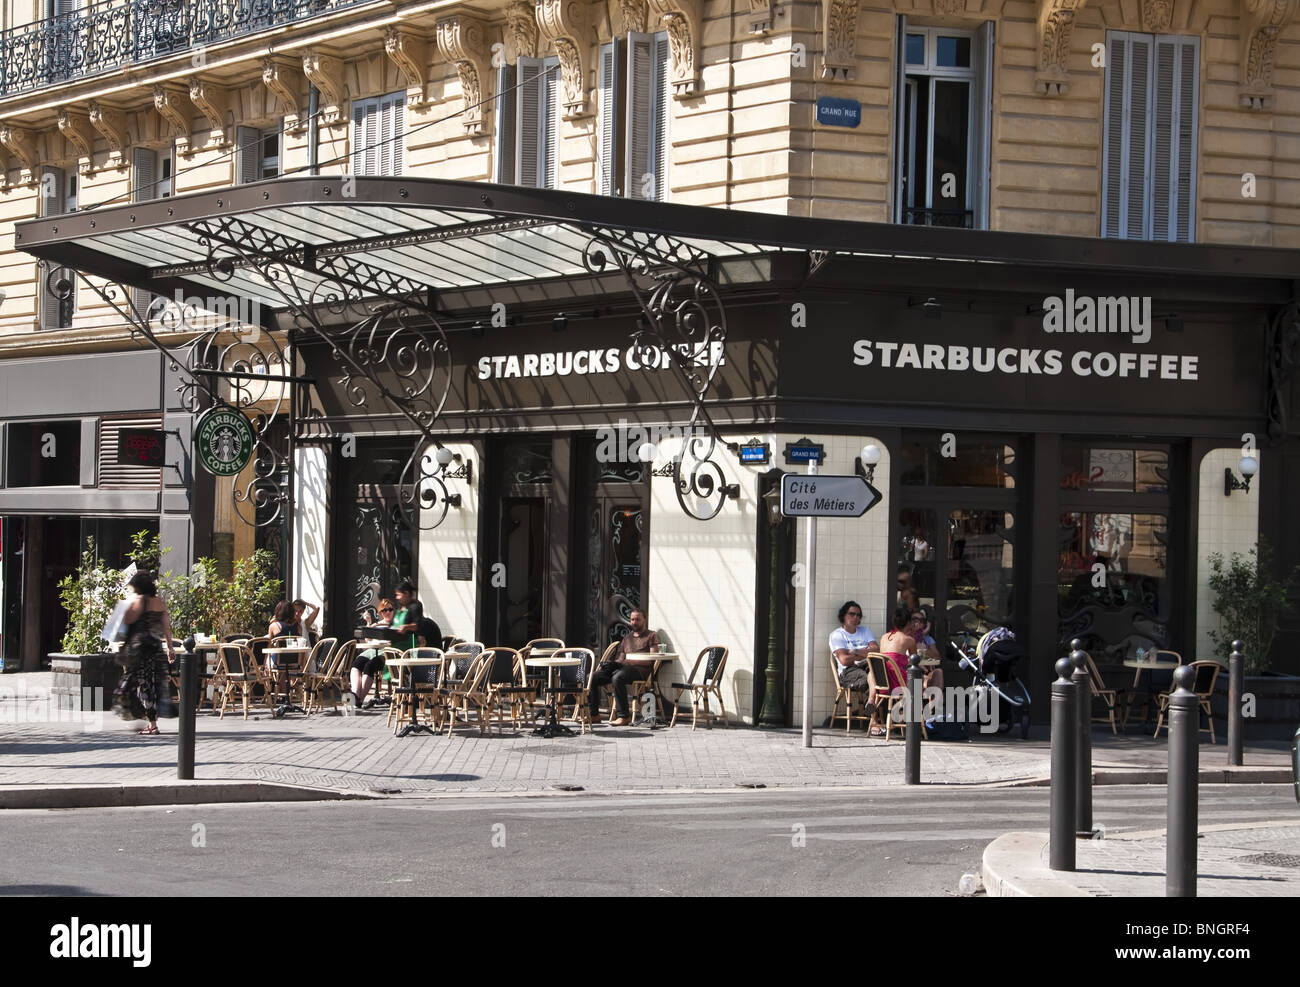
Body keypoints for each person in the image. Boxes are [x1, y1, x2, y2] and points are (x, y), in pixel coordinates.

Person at [112, 571, 176, 736]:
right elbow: (166, 628)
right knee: (152, 684)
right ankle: (149, 721)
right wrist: (170, 648)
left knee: (141, 685)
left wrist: (123, 607)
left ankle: (152, 724)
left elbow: (128, 621)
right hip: (156, 647)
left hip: (140, 649)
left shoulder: (140, 600)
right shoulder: (159, 602)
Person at [588, 609, 660, 727]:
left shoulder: (651, 635)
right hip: (623, 668)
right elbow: (621, 659)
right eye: (632, 619)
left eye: (638, 619)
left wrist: (624, 664)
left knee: (617, 677)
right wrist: (612, 664)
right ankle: (594, 714)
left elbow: (652, 660)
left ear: (645, 620)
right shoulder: (627, 638)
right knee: (592, 677)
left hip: (640, 670)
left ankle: (624, 716)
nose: (634, 622)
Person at [828, 600, 879, 696]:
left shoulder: (865, 630)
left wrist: (854, 651)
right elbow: (845, 660)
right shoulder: (837, 635)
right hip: (848, 671)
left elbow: (876, 650)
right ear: (843, 615)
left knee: (882, 676)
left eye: (858, 615)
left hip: (867, 665)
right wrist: (865, 652)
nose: (856, 617)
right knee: (872, 681)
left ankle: (870, 706)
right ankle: (872, 708)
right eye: (852, 614)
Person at [350, 598, 395, 706]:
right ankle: (355, 695)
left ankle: (360, 699)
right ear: (380, 613)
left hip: (386, 652)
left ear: (394, 611)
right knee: (357, 664)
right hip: (371, 651)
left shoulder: (396, 625)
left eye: (390, 609)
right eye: (384, 610)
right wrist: (369, 622)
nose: (388, 612)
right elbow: (368, 640)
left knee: (369, 666)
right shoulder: (376, 625)